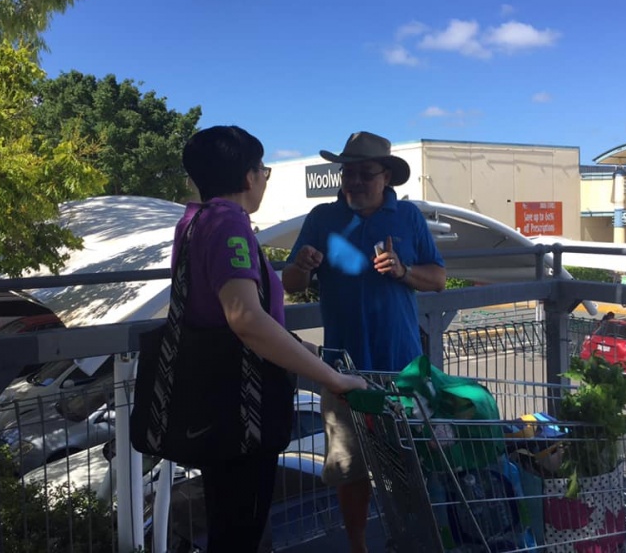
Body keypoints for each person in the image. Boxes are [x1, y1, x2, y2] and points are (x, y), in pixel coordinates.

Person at [178, 125, 367, 553]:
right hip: (240, 406)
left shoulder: (194, 221)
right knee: (241, 532)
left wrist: (303, 351)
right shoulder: (229, 223)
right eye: (263, 170)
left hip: (211, 400)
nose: (264, 178)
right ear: (249, 177)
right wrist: (333, 379)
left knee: (229, 527)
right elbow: (246, 319)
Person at [281, 130, 446, 552]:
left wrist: (403, 271)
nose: (353, 182)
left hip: (402, 368)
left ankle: (412, 542)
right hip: (341, 371)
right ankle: (359, 547)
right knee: (350, 470)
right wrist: (302, 265)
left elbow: (438, 279)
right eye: (348, 173)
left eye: (364, 174)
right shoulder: (321, 218)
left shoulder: (408, 217)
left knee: (408, 465)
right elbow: (290, 283)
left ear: (386, 176)